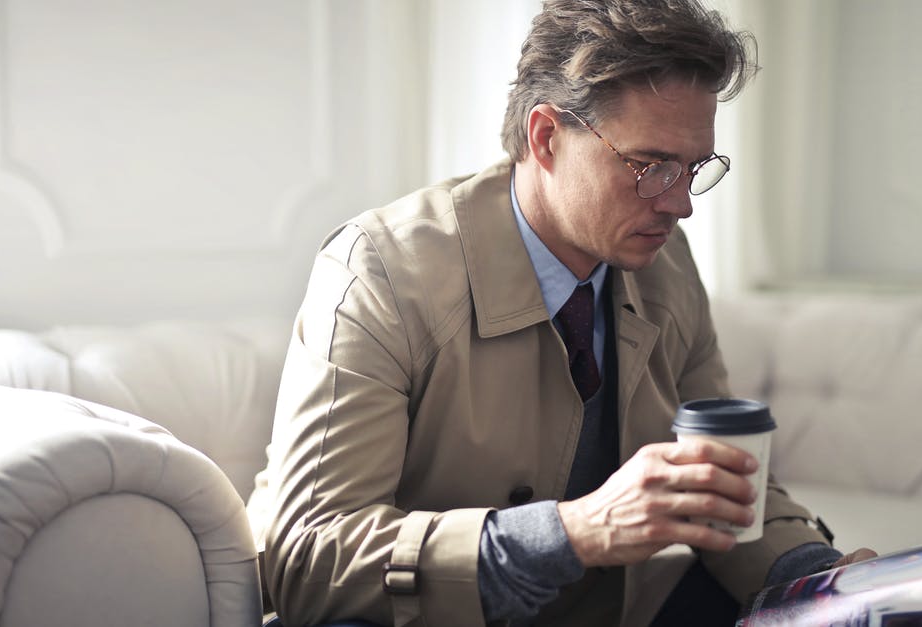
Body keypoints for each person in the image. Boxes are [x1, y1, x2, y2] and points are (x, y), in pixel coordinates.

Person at [249, 1, 875, 625]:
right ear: (546, 137)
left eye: (693, 168)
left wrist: (818, 581)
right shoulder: (380, 270)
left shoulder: (667, 263)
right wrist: (573, 532)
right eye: (652, 166)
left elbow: (726, 484)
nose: (681, 204)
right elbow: (308, 559)